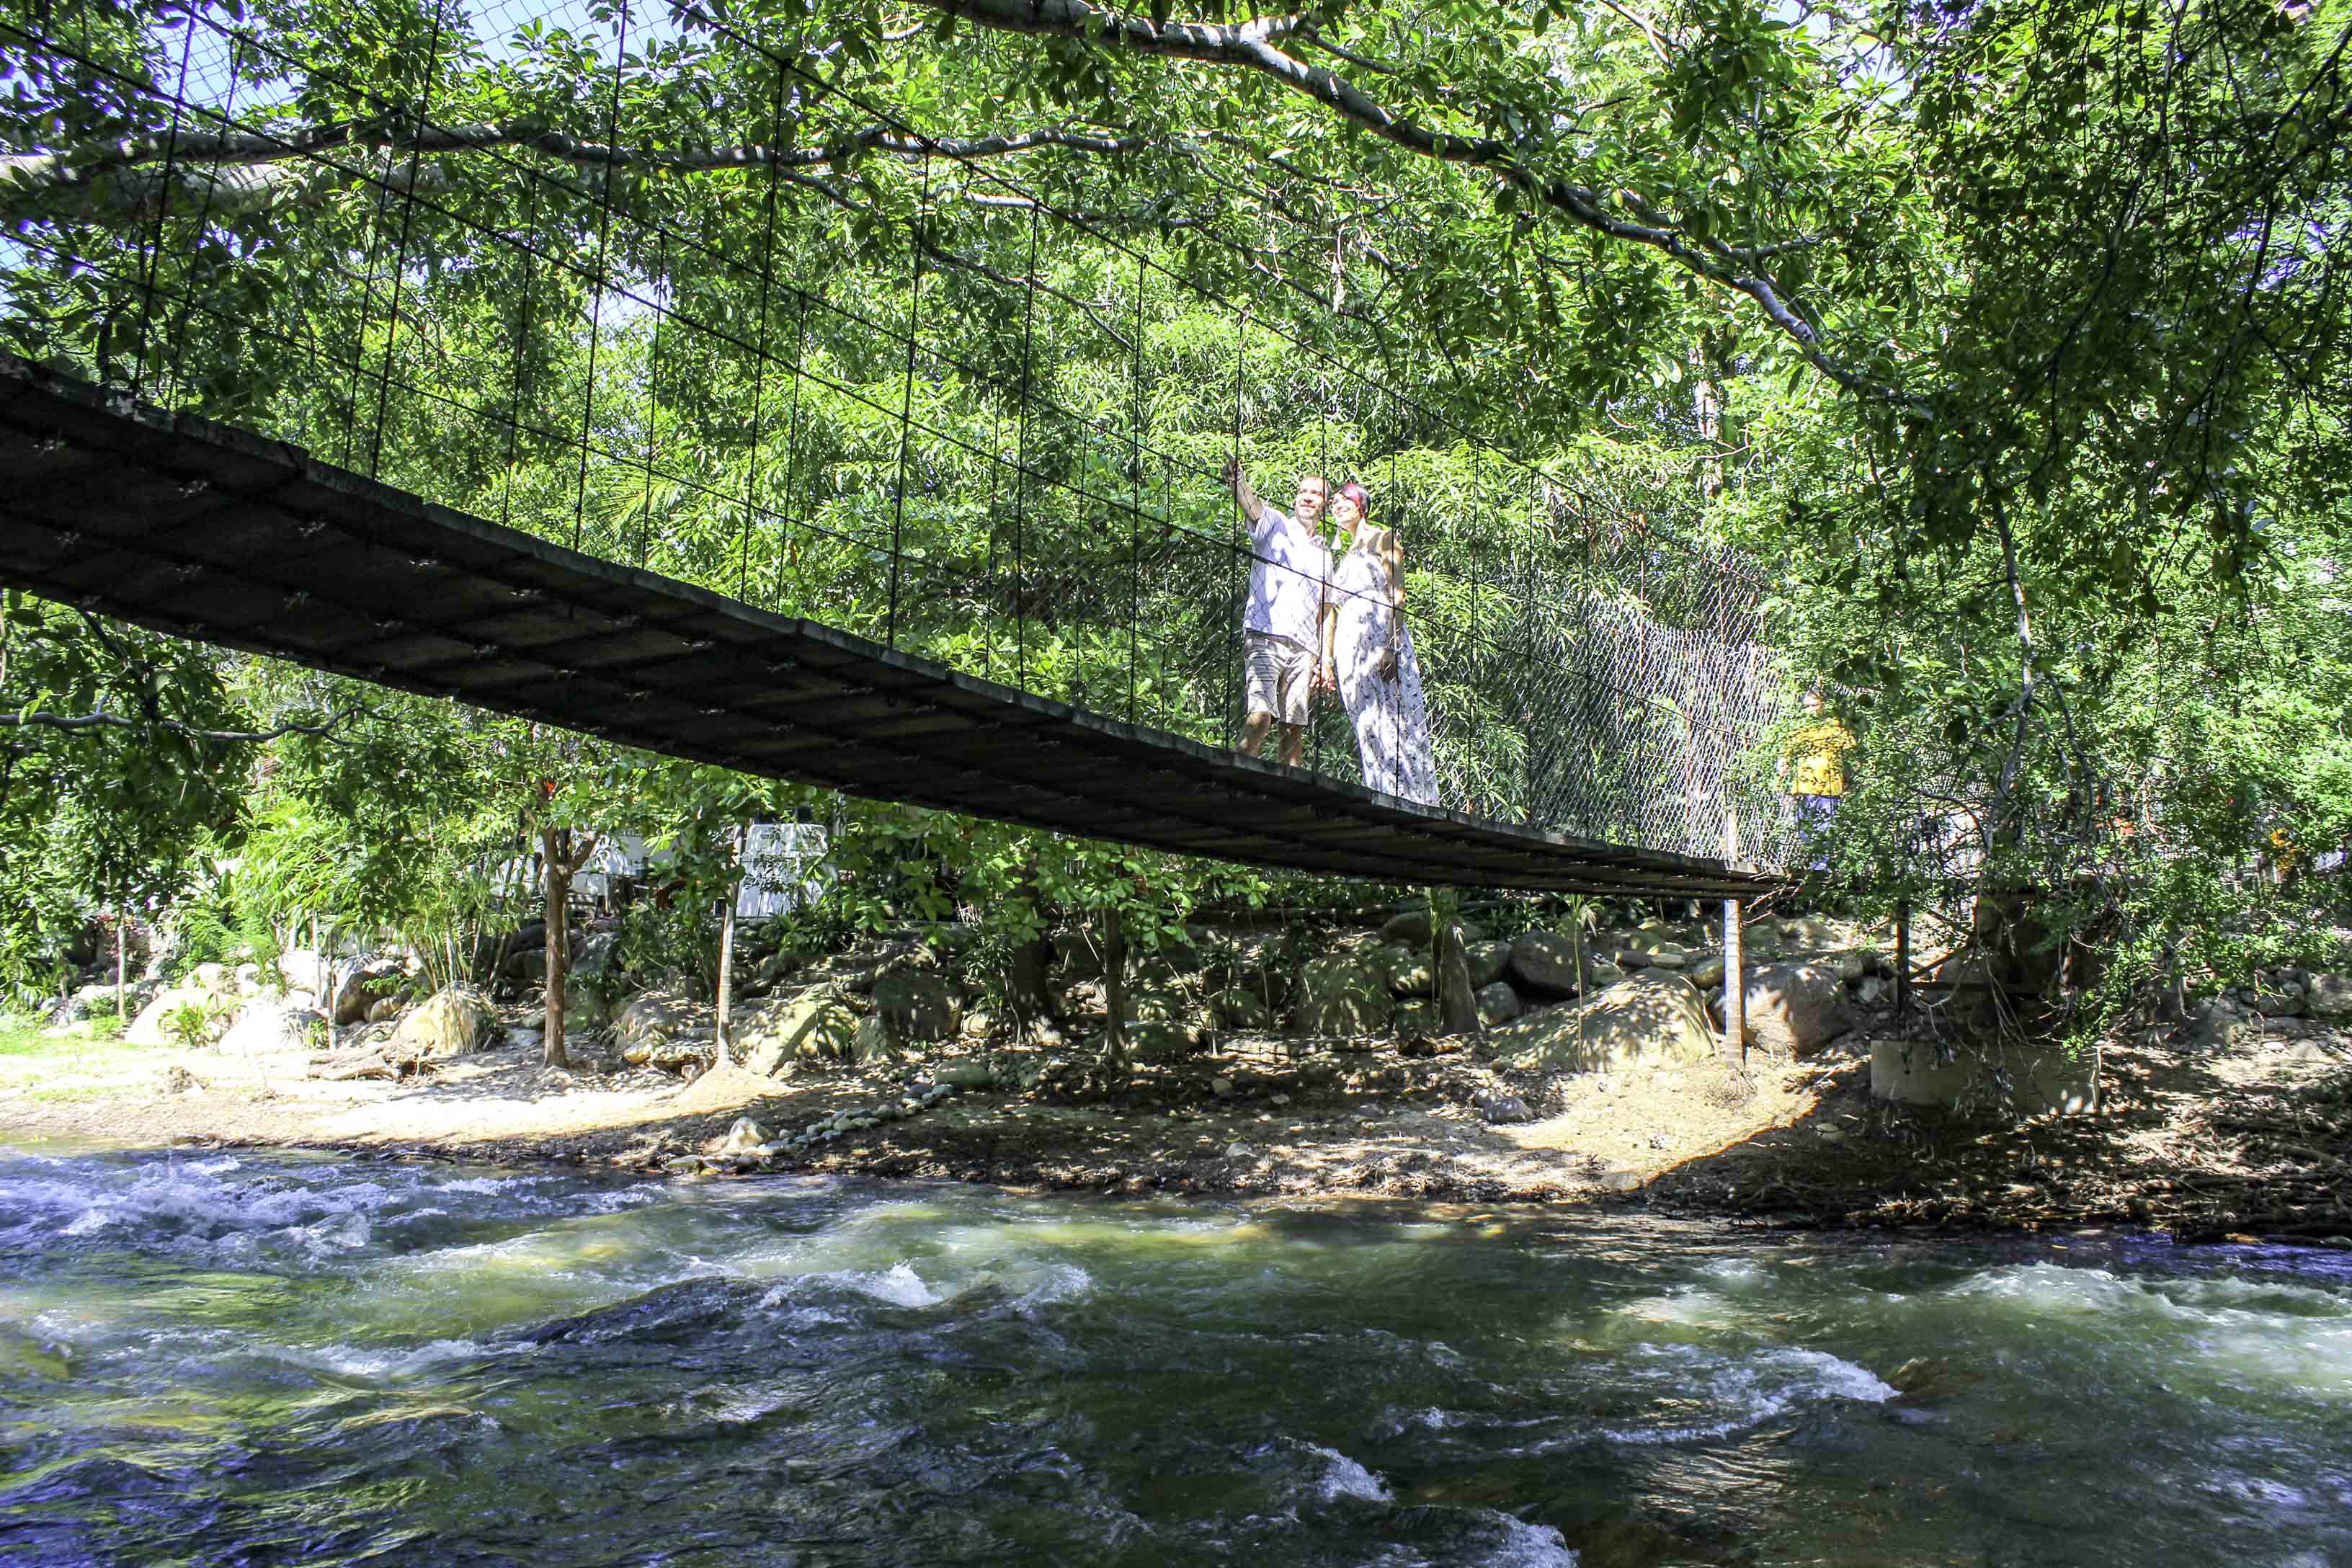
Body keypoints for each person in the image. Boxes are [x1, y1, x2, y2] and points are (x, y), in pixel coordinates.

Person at [1320, 484, 1439, 805]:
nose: (1337, 505)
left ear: (1361, 506)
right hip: (1350, 647)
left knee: (1399, 720)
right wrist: (1326, 661)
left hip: (1380, 637)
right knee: (1367, 724)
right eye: (1334, 502)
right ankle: (1382, 794)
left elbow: (1398, 595)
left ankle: (1415, 800)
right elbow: (1330, 613)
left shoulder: (1384, 538)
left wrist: (1392, 645)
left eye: (1345, 499)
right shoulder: (1341, 557)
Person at [1222, 458, 1333, 767]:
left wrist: (1325, 659)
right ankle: (1236, 777)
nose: (1308, 497)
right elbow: (1251, 506)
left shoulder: (1324, 554)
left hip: (1304, 647)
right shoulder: (1274, 523)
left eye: (1316, 493)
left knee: (1293, 728)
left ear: (1324, 505)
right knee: (1261, 716)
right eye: (1303, 491)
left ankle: (1290, 799)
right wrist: (1238, 481)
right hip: (1264, 634)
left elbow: (1326, 611)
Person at [1783, 689, 1853, 864]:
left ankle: (1822, 875)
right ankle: (1815, 871)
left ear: (1823, 706)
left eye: (1815, 705)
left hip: (1828, 791)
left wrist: (1849, 783)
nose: (1811, 710)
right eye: (1807, 706)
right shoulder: (1799, 731)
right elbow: (1785, 756)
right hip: (1804, 790)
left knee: (1825, 834)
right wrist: (1782, 772)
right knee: (1806, 834)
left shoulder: (1835, 729)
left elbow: (1852, 754)